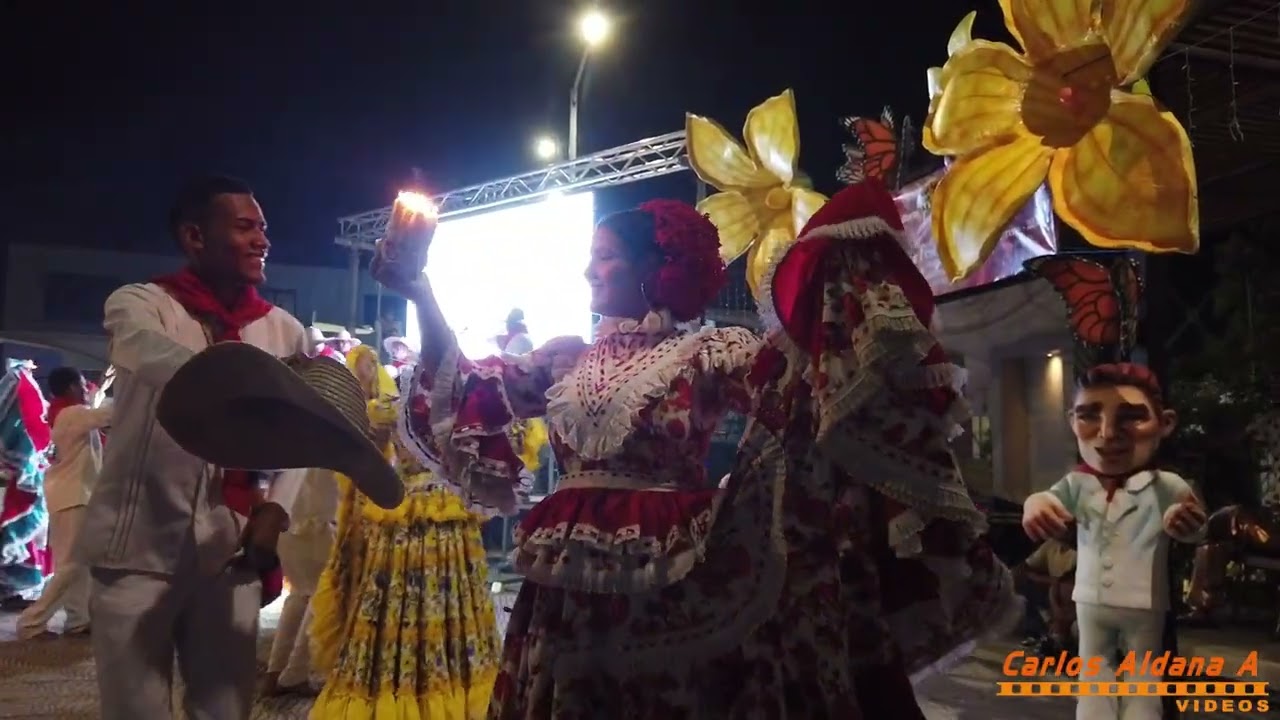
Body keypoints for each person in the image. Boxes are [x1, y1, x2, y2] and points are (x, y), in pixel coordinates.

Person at [377, 184, 1018, 718]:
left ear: (655, 270)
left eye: (603, 257)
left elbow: (798, 390)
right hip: (567, 580)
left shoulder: (706, 352)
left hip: (675, 577)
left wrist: (830, 274)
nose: (587, 271)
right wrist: (419, 290)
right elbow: (467, 391)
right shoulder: (567, 355)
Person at [75, 175, 309, 720]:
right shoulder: (141, 305)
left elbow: (305, 435)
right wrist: (247, 383)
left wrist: (277, 507)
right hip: (134, 552)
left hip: (230, 555)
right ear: (194, 237)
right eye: (245, 227)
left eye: (264, 229)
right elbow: (147, 353)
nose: (262, 241)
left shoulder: (286, 332)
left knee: (225, 711)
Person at [308, 344, 502, 718]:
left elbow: (371, 462)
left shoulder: (404, 406)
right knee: (425, 608)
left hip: (417, 518)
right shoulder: (443, 406)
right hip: (433, 522)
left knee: (410, 609)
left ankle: (412, 689)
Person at [1023, 363, 1207, 720]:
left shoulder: (1166, 486)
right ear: (1071, 422)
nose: (1107, 434)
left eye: (1131, 418)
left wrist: (1187, 525)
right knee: (1094, 676)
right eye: (1088, 416)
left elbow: (1196, 526)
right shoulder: (1079, 484)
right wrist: (1035, 504)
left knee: (1143, 678)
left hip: (1144, 601)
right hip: (1090, 598)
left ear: (1165, 423)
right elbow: (1048, 498)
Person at [17, 366, 112, 640]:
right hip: (73, 496)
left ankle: (77, 619)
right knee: (71, 565)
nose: (86, 388)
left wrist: (101, 388)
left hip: (70, 495)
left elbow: (95, 412)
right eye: (82, 385)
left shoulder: (66, 412)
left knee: (79, 564)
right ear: (71, 387)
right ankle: (31, 623)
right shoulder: (73, 414)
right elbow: (108, 414)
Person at [262, 461, 338, 695]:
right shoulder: (338, 441)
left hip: (287, 525)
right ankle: (295, 673)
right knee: (323, 596)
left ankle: (275, 672)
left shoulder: (297, 441)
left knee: (299, 595)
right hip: (318, 529)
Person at [0, 360, 52, 606]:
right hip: (26, 490)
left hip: (34, 486)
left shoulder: (37, 418)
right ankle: (16, 591)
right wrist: (22, 374)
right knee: (24, 538)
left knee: (35, 540)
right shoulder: (25, 422)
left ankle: (26, 590)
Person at [1014, 532, 1077, 654]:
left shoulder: (1079, 551)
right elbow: (1025, 567)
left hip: (1071, 596)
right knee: (1023, 585)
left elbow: (1064, 581)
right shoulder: (1052, 544)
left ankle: (1057, 637)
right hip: (1054, 590)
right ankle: (1038, 633)